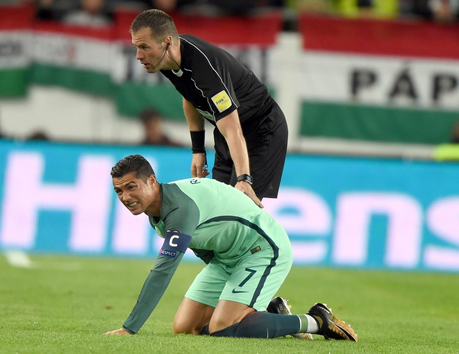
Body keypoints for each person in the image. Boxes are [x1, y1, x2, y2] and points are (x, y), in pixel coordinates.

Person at [105, 154, 358, 341]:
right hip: (227, 258)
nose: (125, 197)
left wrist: (130, 327)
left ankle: (316, 321)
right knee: (185, 327)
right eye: (118, 191)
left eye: (131, 187)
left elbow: (163, 272)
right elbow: (204, 246)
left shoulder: (178, 210)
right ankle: (267, 312)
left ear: (151, 181)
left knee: (223, 327)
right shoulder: (157, 209)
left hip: (263, 249)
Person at [129, 9, 289, 208]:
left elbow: (233, 127)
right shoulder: (169, 58)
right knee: (214, 209)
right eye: (136, 47)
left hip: (261, 130)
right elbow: (190, 97)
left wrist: (245, 178)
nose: (138, 55)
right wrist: (198, 150)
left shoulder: (204, 70)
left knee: (237, 210)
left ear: (167, 42)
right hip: (227, 132)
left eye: (144, 47)